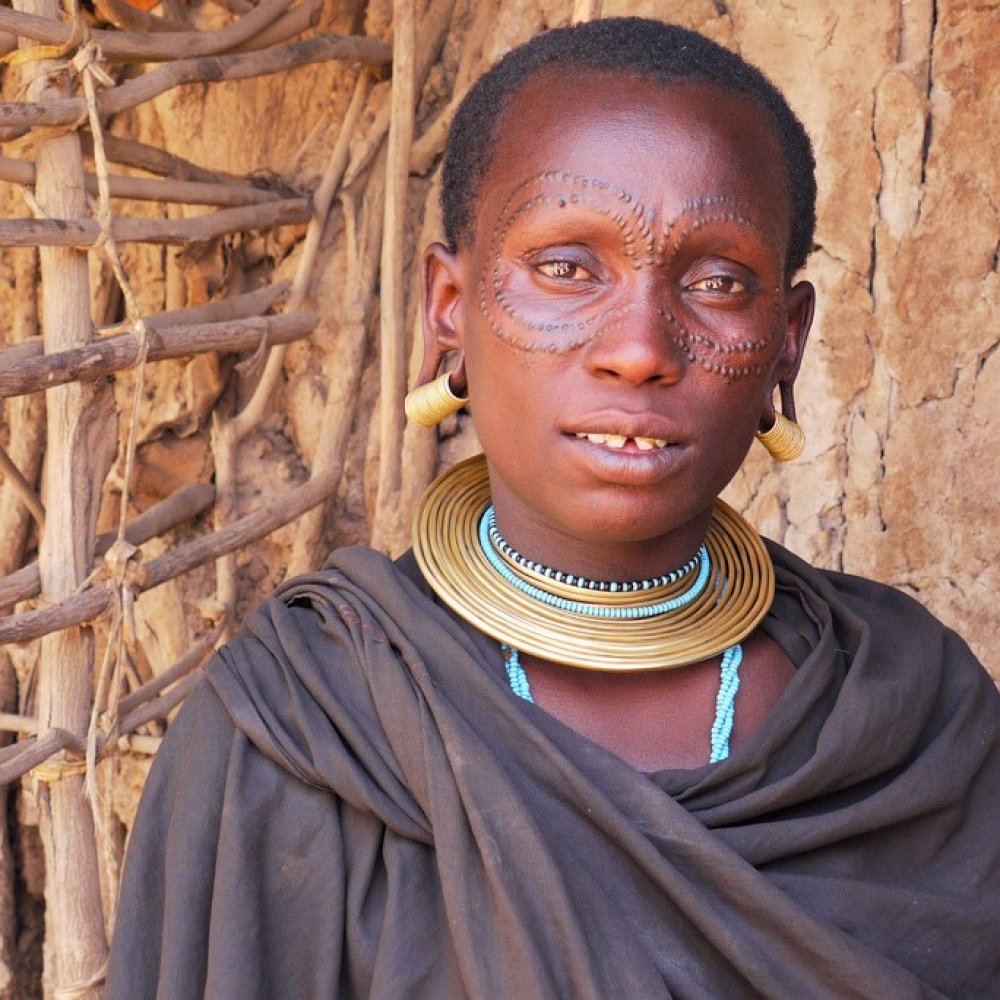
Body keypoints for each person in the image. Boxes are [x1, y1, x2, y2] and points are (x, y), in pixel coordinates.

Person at [106, 18, 1000, 998]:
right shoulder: (295, 731)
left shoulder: (915, 723)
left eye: (716, 281)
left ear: (784, 342)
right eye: (567, 266)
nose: (640, 347)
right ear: (449, 305)